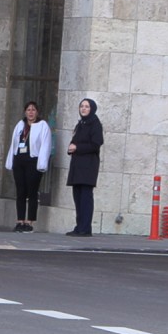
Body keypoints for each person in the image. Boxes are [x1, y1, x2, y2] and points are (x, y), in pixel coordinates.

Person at [4, 101, 52, 232]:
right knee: (20, 191)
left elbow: (45, 145)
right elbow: (14, 143)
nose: (31, 112)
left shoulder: (42, 125)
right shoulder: (20, 125)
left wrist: (42, 163)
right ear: (25, 112)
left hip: (33, 161)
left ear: (37, 112)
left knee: (32, 192)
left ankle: (29, 221)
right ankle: (20, 220)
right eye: (28, 110)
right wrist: (11, 160)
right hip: (19, 161)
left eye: (33, 110)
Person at [66, 97, 103, 237]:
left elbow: (96, 144)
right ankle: (79, 226)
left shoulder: (95, 123)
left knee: (86, 198)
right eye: (82, 106)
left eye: (87, 106)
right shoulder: (81, 124)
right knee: (77, 197)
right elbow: (75, 141)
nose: (84, 109)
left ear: (92, 109)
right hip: (77, 166)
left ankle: (85, 228)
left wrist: (77, 148)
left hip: (88, 166)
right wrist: (71, 148)